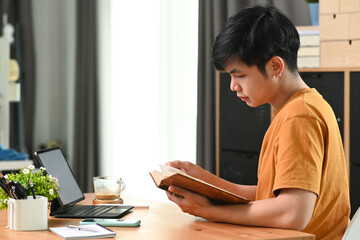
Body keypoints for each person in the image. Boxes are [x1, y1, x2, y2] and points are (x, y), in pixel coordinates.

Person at [165, 5, 350, 239]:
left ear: (275, 66)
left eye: (239, 75)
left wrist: (210, 211)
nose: (233, 86)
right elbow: (273, 198)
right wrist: (206, 181)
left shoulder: (299, 116)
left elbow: (293, 213)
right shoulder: (301, 106)